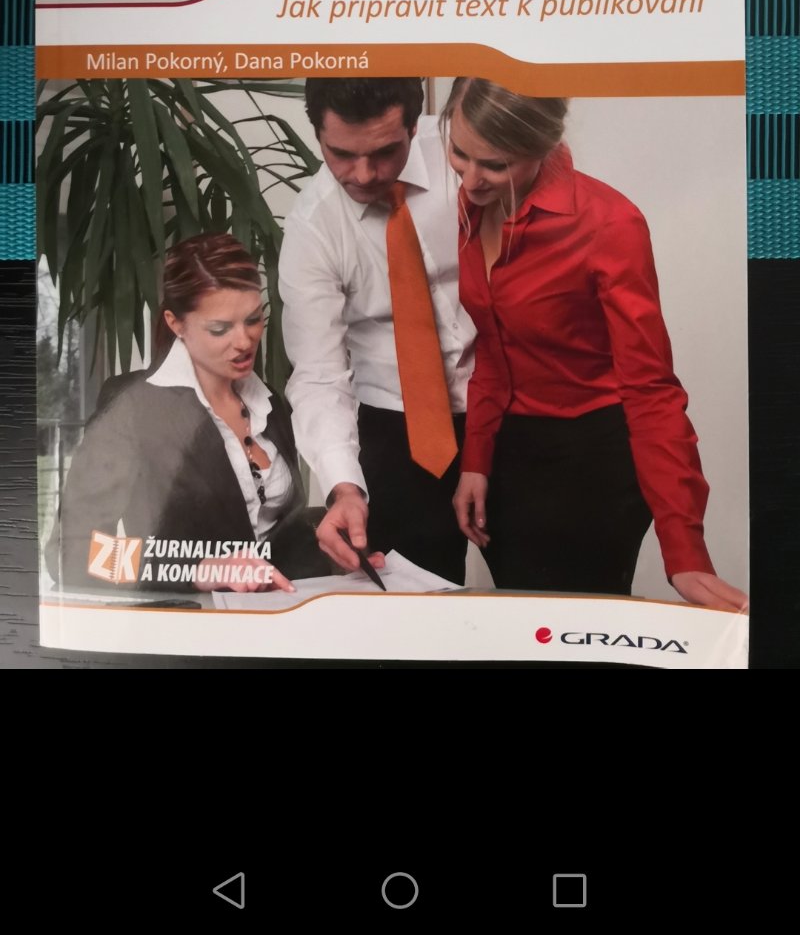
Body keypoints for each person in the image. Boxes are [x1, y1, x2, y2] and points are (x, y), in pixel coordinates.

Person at [444, 78, 748, 613]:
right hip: (512, 457)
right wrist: (477, 460)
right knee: (519, 622)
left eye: (494, 164)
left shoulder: (610, 225)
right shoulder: (475, 206)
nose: (469, 180)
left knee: (579, 630)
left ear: (540, 147)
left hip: (593, 465)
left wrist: (685, 552)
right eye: (459, 153)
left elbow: (651, 391)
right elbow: (493, 350)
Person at [47, 233, 328, 595]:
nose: (244, 341)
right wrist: (196, 569)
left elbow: (279, 534)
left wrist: (330, 544)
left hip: (283, 613)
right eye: (220, 328)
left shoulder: (269, 403)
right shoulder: (131, 408)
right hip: (192, 620)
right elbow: (71, 552)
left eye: (253, 319)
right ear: (176, 323)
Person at [278, 78, 475, 584]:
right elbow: (319, 374)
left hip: (506, 408)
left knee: (549, 596)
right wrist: (344, 487)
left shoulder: (463, 154)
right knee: (411, 612)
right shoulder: (313, 227)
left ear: (415, 125)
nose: (364, 174)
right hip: (395, 427)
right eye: (341, 154)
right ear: (318, 134)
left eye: (386, 152)